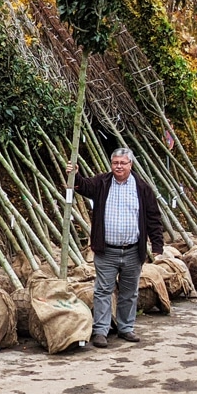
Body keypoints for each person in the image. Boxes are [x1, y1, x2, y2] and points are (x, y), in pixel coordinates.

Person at [73, 147, 164, 348]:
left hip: (133, 250)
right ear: (111, 164)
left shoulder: (142, 188)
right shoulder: (102, 183)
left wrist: (157, 244)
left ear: (130, 164)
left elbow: (153, 218)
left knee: (129, 291)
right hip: (107, 250)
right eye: (116, 163)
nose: (119, 166)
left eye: (123, 163)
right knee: (103, 290)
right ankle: (100, 331)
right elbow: (84, 186)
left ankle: (125, 328)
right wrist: (75, 174)